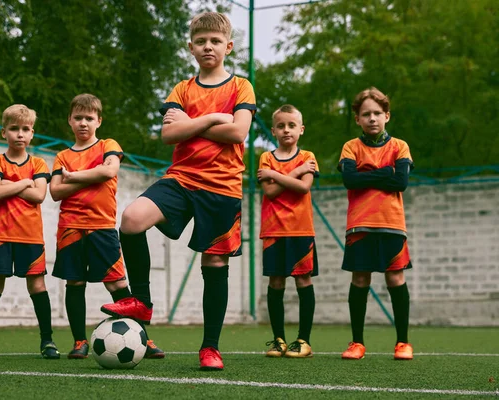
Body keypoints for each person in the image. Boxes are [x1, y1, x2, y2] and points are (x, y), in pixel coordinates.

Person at [100, 11, 256, 371]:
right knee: (132, 219)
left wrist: (190, 124)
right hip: (182, 178)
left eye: (215, 41)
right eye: (201, 41)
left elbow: (238, 133)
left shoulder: (241, 87)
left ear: (228, 46)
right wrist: (212, 119)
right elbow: (169, 134)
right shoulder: (182, 89)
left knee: (214, 262)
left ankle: (210, 348)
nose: (208, 46)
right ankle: (141, 301)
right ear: (191, 47)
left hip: (222, 186)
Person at [49, 93, 164, 359]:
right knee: (74, 283)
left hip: (102, 227)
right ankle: (79, 341)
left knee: (117, 285)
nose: (83, 123)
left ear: (99, 121)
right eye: (78, 118)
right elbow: (55, 191)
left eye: (89, 118)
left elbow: (109, 171)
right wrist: (92, 176)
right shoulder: (62, 156)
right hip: (70, 228)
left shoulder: (108, 146)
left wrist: (74, 177)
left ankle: (143, 339)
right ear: (70, 120)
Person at [0, 104, 59, 360]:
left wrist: (8, 183)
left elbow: (39, 195)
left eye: (25, 129)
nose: (20, 134)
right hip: (0, 235)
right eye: (14, 129)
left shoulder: (39, 163)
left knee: (38, 285)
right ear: (3, 132)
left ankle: (47, 342)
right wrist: (22, 182)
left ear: (32, 134)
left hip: (30, 236)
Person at [337, 87, 414, 360]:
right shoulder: (351, 147)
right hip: (359, 225)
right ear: (357, 118)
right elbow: (349, 180)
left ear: (387, 116)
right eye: (366, 114)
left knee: (395, 278)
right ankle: (357, 342)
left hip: (392, 224)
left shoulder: (399, 146)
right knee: (360, 278)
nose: (372, 118)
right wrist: (384, 173)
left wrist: (367, 174)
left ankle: (403, 342)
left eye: (377, 113)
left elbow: (401, 182)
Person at [257, 105, 319, 359]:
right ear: (273, 130)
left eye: (292, 125)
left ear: (301, 129)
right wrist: (292, 172)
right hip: (273, 230)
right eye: (281, 126)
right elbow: (269, 192)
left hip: (301, 230)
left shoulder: (309, 156)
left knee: (303, 281)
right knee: (276, 282)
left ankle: (303, 340)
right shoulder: (266, 158)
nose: (286, 130)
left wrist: (277, 175)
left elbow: (303, 188)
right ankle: (279, 339)